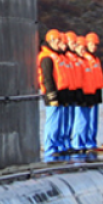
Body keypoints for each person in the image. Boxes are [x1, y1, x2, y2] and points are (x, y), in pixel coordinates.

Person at [37, 29, 67, 161]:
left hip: (59, 94)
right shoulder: (47, 57)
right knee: (52, 122)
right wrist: (51, 95)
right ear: (52, 41)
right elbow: (47, 78)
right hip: (52, 95)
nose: (61, 44)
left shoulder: (56, 56)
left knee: (58, 123)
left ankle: (56, 147)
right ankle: (50, 149)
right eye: (59, 41)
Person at [78, 33, 103, 150]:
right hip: (88, 93)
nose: (94, 47)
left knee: (93, 121)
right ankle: (85, 142)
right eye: (92, 44)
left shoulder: (95, 59)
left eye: (95, 45)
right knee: (85, 120)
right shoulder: (85, 60)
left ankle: (91, 141)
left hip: (95, 92)